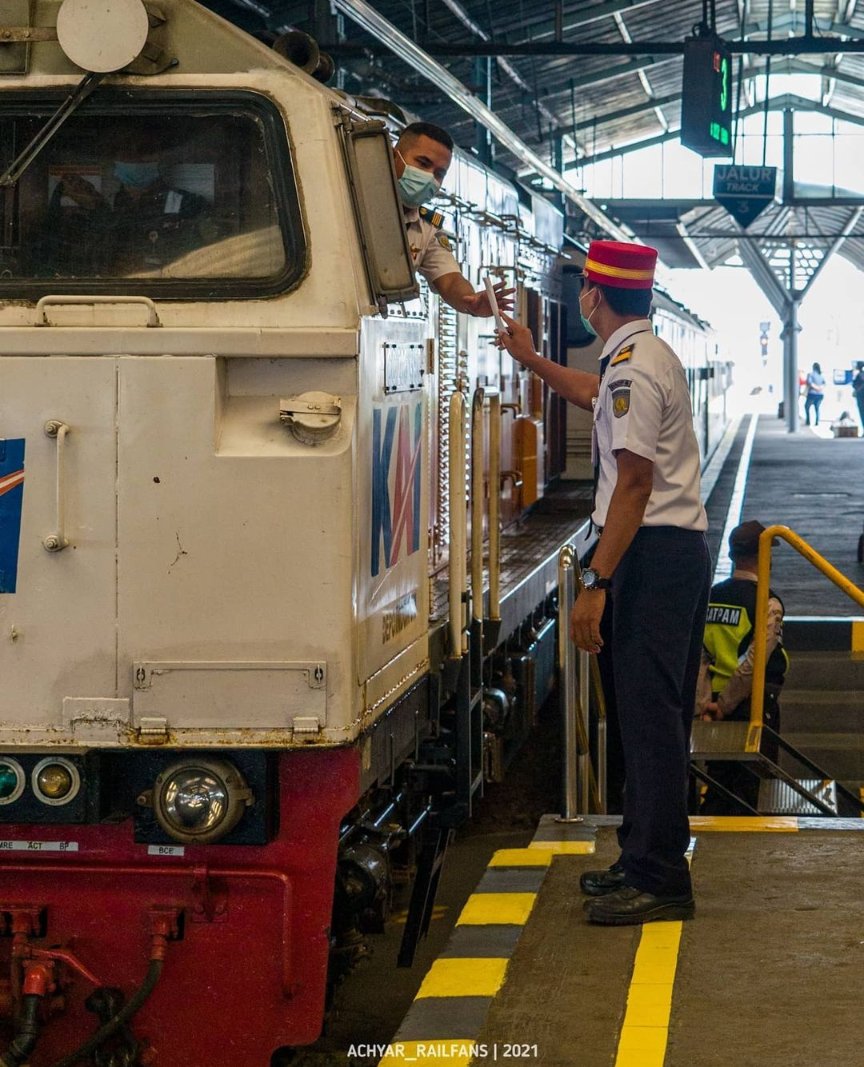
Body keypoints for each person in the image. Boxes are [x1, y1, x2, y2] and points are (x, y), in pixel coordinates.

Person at [497, 239, 711, 926]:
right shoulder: (635, 358)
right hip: (661, 554)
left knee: (650, 722)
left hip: (650, 557)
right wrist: (532, 360)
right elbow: (592, 395)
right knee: (641, 718)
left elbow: (636, 483)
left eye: (584, 289)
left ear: (593, 296)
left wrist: (597, 580)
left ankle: (661, 878)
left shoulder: (634, 369)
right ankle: (640, 855)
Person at [696, 521, 788, 815]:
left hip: (713, 708)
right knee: (754, 788)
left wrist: (705, 705)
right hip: (752, 705)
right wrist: (725, 705)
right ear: (764, 555)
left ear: (733, 555)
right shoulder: (767, 602)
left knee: (718, 781)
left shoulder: (710, 597)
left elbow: (700, 657)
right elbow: (754, 662)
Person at [44, 136, 215, 276]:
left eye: (145, 150)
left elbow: (205, 263)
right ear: (114, 159)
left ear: (159, 157)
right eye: (125, 150)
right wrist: (91, 205)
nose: (135, 157)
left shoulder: (190, 205)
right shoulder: (102, 207)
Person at [393, 121, 513, 318]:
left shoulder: (427, 228)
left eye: (439, 173)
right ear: (393, 156)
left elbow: (450, 281)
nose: (429, 177)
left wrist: (471, 301)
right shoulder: (351, 198)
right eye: (423, 163)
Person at [803, 361, 826, 427]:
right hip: (820, 394)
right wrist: (819, 388)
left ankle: (808, 421)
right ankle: (817, 421)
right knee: (817, 408)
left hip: (812, 394)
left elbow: (809, 383)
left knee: (807, 407)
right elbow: (824, 384)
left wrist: (816, 388)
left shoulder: (810, 374)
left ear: (813, 367)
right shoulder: (821, 376)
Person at [852, 362, 864, 429]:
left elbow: (855, 385)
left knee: (862, 413)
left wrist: (858, 390)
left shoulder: (859, 375)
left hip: (860, 396)